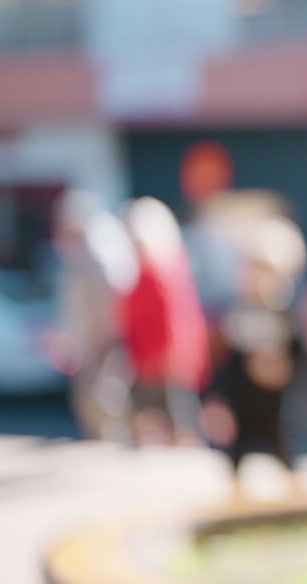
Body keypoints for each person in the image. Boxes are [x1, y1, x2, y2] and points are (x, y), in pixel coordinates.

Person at [203, 216, 307, 497]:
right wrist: (218, 397)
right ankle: (236, 501)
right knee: (236, 454)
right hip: (245, 399)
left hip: (277, 401)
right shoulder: (238, 312)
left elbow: (302, 353)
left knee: (286, 450)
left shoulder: (287, 312)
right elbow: (228, 360)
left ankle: (296, 500)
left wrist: (282, 367)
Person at [120, 197, 212, 446]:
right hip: (148, 358)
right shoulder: (143, 273)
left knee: (179, 417)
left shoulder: (164, 272)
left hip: (168, 360)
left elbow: (175, 320)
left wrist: (170, 356)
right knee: (149, 414)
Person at [52, 189, 139, 442]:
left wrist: (104, 344)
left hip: (103, 347)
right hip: (89, 348)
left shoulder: (98, 256)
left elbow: (108, 310)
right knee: (90, 407)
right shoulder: (77, 255)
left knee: (106, 404)